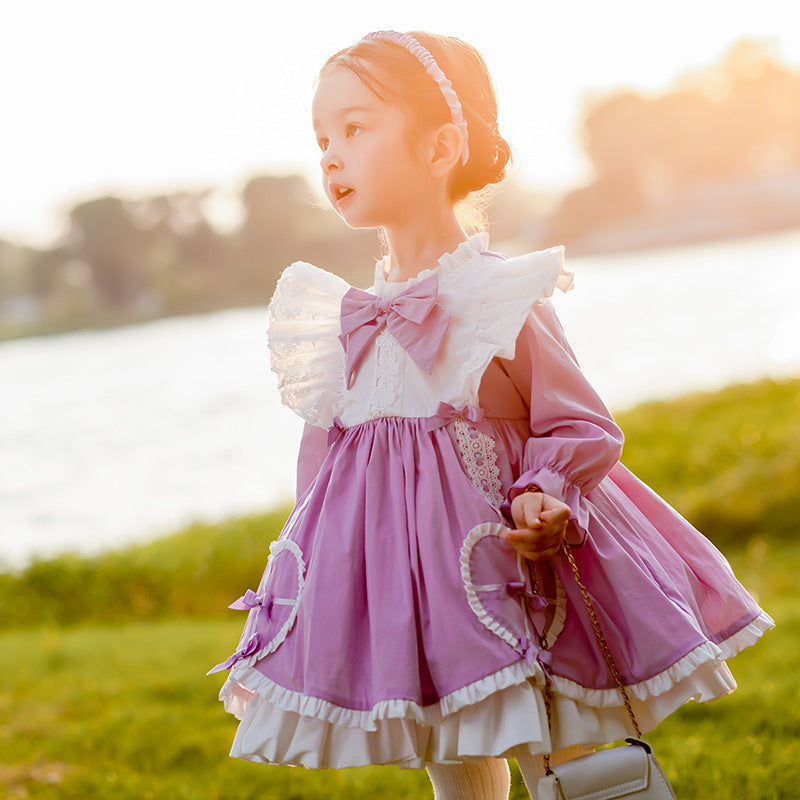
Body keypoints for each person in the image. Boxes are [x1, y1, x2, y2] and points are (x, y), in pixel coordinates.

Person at [209, 30, 773, 799]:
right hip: (408, 590)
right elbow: (322, 476)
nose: (331, 155)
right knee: (457, 753)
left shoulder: (495, 298)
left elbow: (578, 422)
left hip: (509, 574)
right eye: (322, 138)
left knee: (559, 757)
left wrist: (549, 489)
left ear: (440, 148)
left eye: (356, 129)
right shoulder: (344, 321)